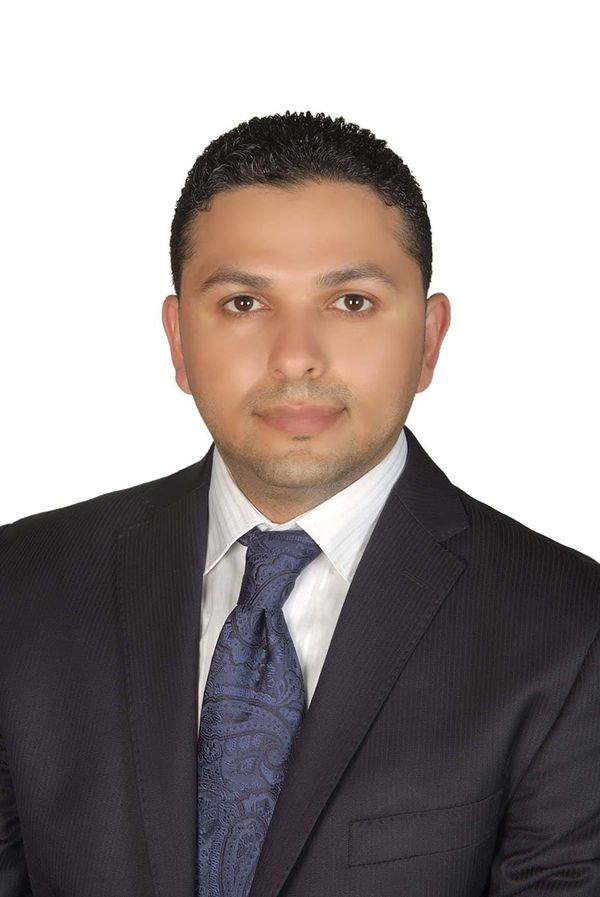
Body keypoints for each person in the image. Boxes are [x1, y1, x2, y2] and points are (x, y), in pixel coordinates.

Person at [1, 110, 599, 897]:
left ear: (428, 338)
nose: (295, 359)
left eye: (350, 301)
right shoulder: (21, 585)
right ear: (178, 340)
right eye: (243, 303)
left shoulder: (570, 628)